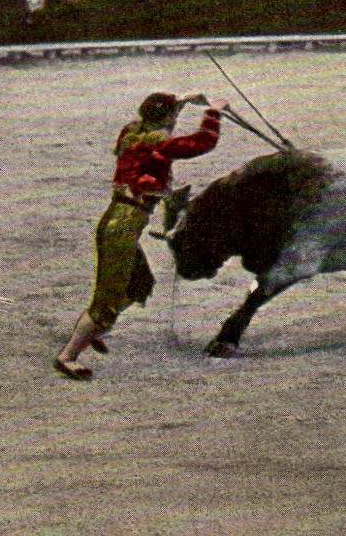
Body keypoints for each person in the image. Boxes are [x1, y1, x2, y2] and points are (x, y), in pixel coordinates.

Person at [54, 92, 228, 380]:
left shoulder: (131, 133)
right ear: (168, 119)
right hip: (122, 228)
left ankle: (94, 329)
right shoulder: (161, 144)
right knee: (106, 304)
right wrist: (214, 112)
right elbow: (203, 142)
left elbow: (160, 126)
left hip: (116, 221)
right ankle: (68, 356)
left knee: (140, 284)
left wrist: (183, 100)